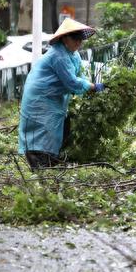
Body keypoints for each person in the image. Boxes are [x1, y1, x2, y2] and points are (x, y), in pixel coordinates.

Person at [18, 18, 105, 169]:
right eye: (75, 38)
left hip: (54, 98)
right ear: (65, 38)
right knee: (42, 128)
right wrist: (93, 87)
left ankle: (51, 161)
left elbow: (79, 77)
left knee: (60, 126)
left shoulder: (74, 55)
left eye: (80, 39)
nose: (78, 42)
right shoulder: (58, 55)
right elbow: (72, 82)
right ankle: (40, 164)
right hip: (40, 97)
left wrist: (88, 86)